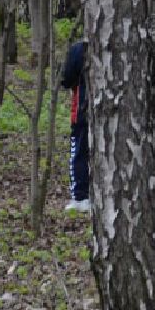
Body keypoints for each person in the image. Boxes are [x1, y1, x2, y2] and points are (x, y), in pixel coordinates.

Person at [60, 39, 91, 212]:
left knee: (79, 152)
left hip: (81, 112)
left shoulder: (79, 48)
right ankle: (82, 196)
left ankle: (80, 196)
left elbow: (66, 78)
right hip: (85, 111)